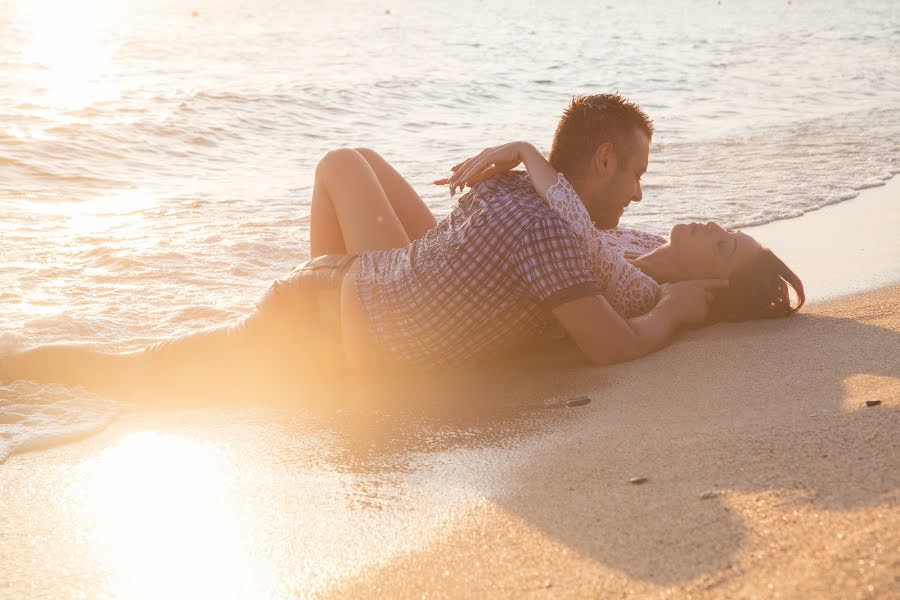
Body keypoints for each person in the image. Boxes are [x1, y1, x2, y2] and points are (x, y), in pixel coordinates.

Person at [0, 94, 802, 399]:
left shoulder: (592, 253)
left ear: (712, 286)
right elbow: (609, 330)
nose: (699, 224)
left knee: (146, 378)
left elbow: (607, 344)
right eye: (727, 231)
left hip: (339, 322)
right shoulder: (601, 240)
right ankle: (16, 364)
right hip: (327, 316)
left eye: (723, 243)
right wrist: (524, 153)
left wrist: (672, 308)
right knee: (144, 378)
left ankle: (18, 362)